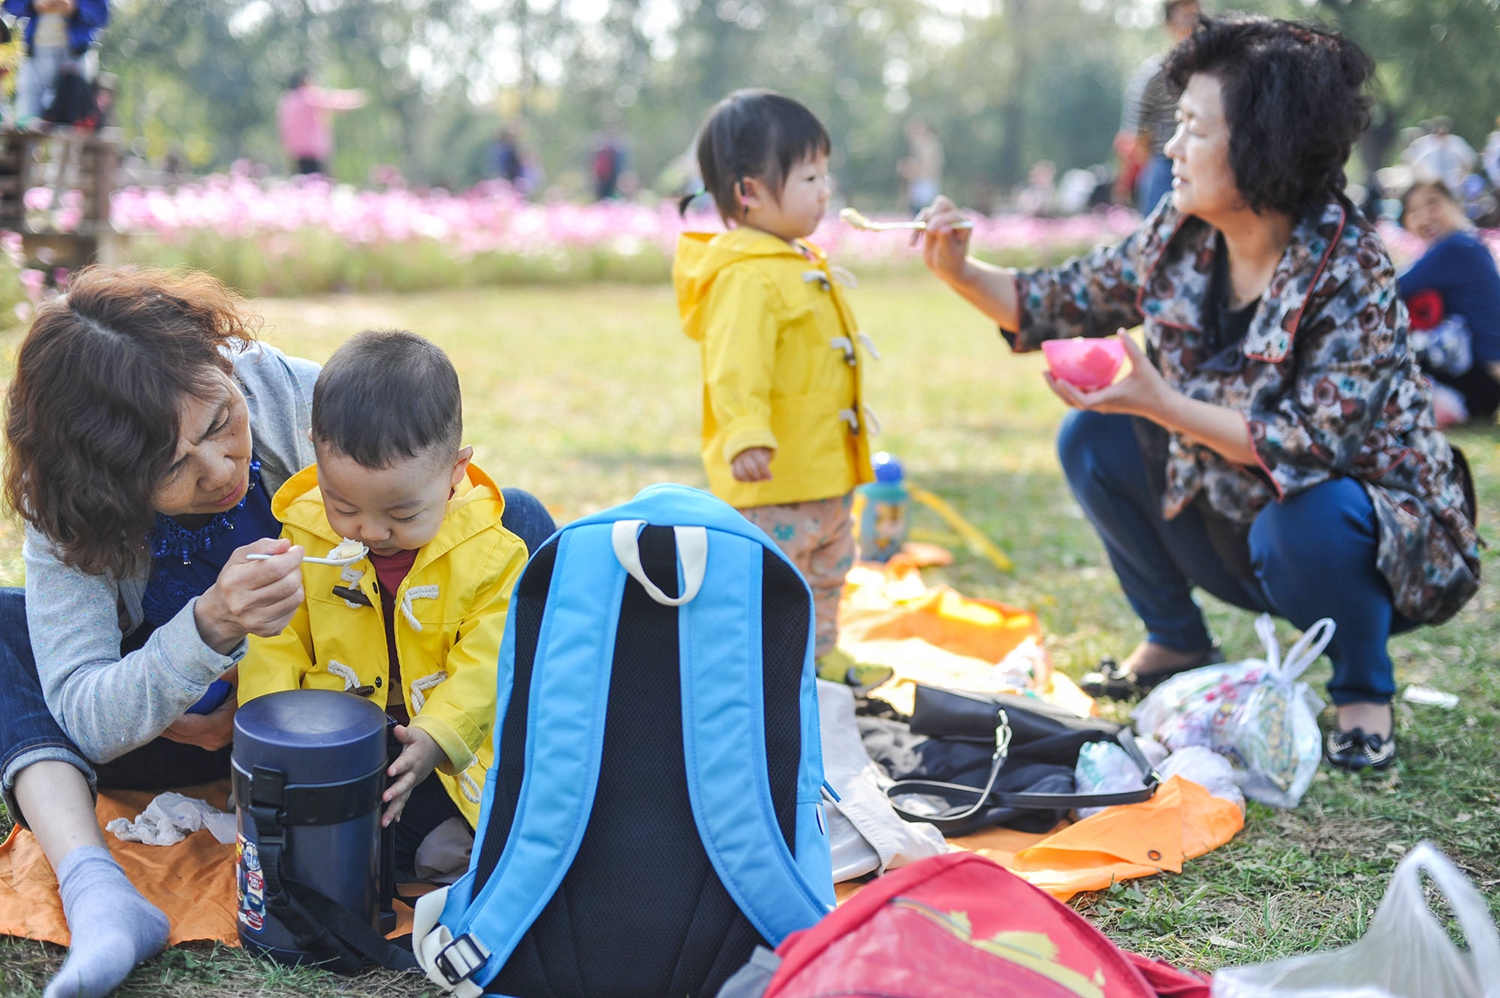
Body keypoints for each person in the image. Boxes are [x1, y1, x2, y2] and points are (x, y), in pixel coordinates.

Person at [917, 17, 1480, 772]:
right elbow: (1061, 297)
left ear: (1261, 146)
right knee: (1093, 439)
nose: (1170, 148)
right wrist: (959, 272)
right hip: (1234, 515)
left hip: (1367, 545)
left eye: (1191, 129)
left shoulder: (1351, 268)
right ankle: (1175, 637)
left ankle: (1361, 691)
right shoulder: (1179, 232)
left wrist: (1160, 402)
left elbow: (1314, 447)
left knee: (1306, 518)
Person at [0, 270, 554, 998]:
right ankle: (97, 890)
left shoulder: (292, 396)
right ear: (109, 488)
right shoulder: (67, 505)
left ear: (222, 364)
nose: (221, 466)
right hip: (163, 741)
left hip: (347, 730)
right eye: (173, 468)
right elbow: (89, 718)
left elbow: (444, 537)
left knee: (518, 521)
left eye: (218, 422)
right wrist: (209, 628)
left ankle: (521, 803)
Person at [239, 330, 533, 874]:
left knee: (483, 797)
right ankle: (421, 849)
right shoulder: (301, 539)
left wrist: (436, 738)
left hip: (443, 749)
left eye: (402, 515)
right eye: (341, 504)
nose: (371, 530)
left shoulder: (492, 556)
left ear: (456, 472)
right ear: (316, 456)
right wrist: (273, 748)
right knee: (328, 825)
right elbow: (275, 645)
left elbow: (488, 666)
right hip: (336, 745)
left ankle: (449, 838)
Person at [673, 89, 878, 686]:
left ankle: (821, 654)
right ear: (749, 192)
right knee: (772, 577)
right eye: (810, 175)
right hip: (774, 477)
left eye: (826, 173)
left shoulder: (793, 258)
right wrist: (745, 434)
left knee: (830, 563)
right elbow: (736, 365)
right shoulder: (747, 277)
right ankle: (762, 669)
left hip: (821, 465)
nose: (826, 189)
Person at [1397, 179, 1500, 426]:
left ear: (1455, 205)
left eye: (1433, 203)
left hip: (1473, 384)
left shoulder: (1456, 248)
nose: (1424, 217)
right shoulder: (1470, 244)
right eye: (1414, 211)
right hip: (1481, 388)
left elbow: (1385, 289)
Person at [1118, 0, 1200, 215]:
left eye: (1198, 18)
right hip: (1165, 165)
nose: (1193, 26)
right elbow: (1135, 135)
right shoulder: (1153, 75)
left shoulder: (1213, 73)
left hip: (1205, 162)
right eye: (1185, 18)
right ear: (1169, 25)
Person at [3, 0, 107, 124]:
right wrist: (33, 4)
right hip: (35, 57)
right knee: (27, 120)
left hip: (75, 60)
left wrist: (75, 7)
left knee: (73, 122)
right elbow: (10, 6)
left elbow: (101, 15)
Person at [276, 70, 366, 176]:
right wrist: (358, 98)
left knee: (300, 182)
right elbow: (334, 101)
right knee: (316, 184)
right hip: (312, 150)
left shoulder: (287, 100)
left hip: (294, 151)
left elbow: (283, 127)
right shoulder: (309, 96)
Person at [1405, 117, 1477, 195]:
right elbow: (1412, 162)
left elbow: (1469, 161)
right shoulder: (1425, 144)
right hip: (1432, 185)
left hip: (1453, 186)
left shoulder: (1456, 142)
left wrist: (1461, 179)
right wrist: (1422, 180)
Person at [898, 117, 944, 216]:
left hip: (925, 183)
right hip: (922, 183)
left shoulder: (927, 144)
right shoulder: (923, 144)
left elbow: (929, 166)